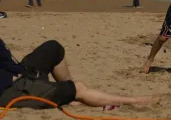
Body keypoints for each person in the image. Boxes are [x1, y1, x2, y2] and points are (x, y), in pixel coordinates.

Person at [0, 38, 156, 109]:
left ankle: (70, 95)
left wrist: (19, 72)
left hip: (17, 75)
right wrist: (11, 78)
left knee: (53, 48)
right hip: (9, 90)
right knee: (80, 87)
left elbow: (5, 62)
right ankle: (134, 101)